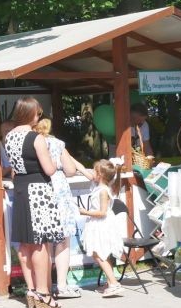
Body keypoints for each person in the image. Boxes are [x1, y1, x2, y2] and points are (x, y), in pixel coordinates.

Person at [4, 97, 64, 308]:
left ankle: (30, 290)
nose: (39, 117)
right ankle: (43, 293)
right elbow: (48, 169)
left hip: (20, 188)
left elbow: (14, 168)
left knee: (25, 243)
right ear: (30, 113)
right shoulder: (36, 138)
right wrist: (56, 162)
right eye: (38, 113)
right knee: (40, 243)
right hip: (38, 190)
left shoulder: (9, 136)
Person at [36, 118, 92, 298]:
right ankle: (61, 285)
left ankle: (44, 285)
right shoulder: (57, 143)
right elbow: (70, 169)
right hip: (58, 189)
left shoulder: (30, 142)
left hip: (38, 188)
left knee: (43, 241)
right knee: (62, 239)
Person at [79, 160, 127, 297]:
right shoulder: (99, 187)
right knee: (102, 253)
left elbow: (102, 212)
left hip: (101, 225)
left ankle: (114, 283)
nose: (92, 172)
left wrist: (84, 212)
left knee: (99, 254)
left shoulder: (103, 191)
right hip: (98, 224)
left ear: (100, 174)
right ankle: (110, 281)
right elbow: (82, 168)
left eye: (94, 170)